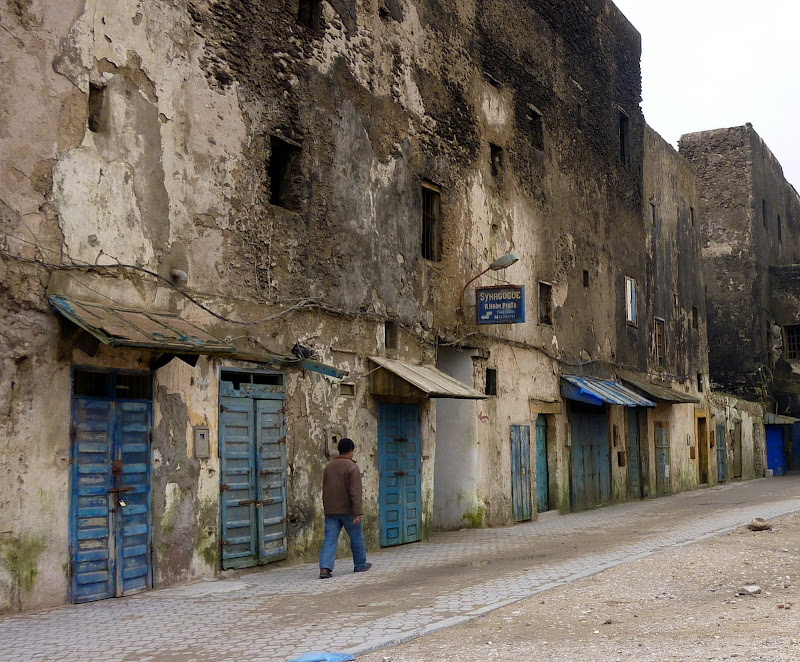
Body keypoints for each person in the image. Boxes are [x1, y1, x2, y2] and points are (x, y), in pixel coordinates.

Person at [318, 437, 372, 579]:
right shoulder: (352, 467)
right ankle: (360, 564)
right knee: (356, 537)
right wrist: (357, 512)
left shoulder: (329, 466)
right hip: (348, 510)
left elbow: (325, 488)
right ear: (350, 451)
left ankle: (325, 568)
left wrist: (327, 508)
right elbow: (355, 492)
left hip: (331, 510)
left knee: (329, 539)